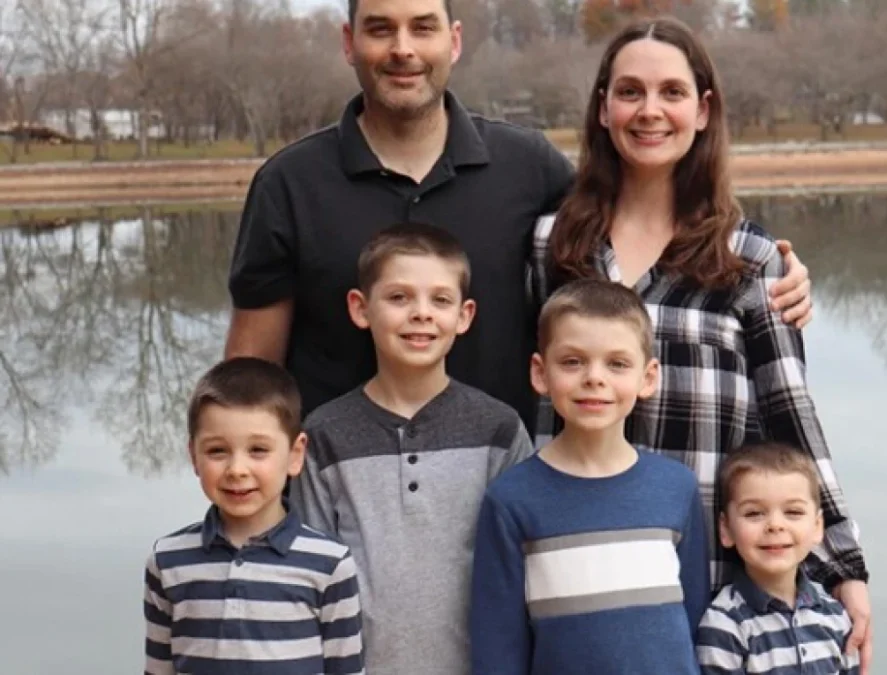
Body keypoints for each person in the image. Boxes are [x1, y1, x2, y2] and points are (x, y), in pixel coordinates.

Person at [224, 0, 814, 431]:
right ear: (350, 43)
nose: (403, 48)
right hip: (341, 509)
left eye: (422, 28)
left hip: (503, 499)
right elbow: (251, 375)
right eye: (381, 29)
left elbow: (636, 217)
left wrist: (769, 273)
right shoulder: (289, 184)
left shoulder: (527, 168)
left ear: (453, 42)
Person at [530, 16, 872, 671]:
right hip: (577, 564)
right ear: (602, 108)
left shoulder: (749, 257)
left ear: (703, 108)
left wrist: (844, 564)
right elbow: (528, 392)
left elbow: (791, 417)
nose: (649, 110)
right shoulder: (553, 245)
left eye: (671, 92)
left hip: (707, 577)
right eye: (629, 91)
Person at [293, 222, 534, 675]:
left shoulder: (498, 430)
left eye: (439, 300)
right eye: (399, 297)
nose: (421, 313)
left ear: (464, 316)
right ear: (360, 308)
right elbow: (311, 575)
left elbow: (520, 571)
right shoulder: (325, 434)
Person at [470, 279, 711, 675]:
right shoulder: (511, 499)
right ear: (540, 372)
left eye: (617, 363)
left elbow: (696, 623)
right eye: (572, 362)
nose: (594, 377)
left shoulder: (676, 488)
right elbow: (498, 646)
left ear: (648, 377)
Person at [142, 357, 365, 675]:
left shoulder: (330, 564)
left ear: (295, 454)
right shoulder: (167, 561)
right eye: (217, 451)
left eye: (258, 450)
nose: (237, 470)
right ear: (193, 456)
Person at [696, 442, 859, 675]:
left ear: (817, 526)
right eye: (754, 513)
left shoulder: (834, 614)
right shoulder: (725, 623)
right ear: (726, 529)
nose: (775, 525)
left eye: (793, 512)